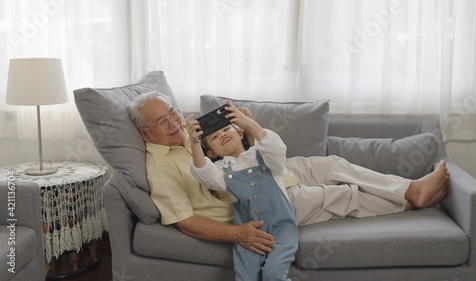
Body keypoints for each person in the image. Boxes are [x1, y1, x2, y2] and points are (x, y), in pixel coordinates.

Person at [127, 91, 449, 255]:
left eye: (173, 113)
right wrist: (238, 234)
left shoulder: (188, 134)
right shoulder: (160, 166)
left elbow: (232, 154)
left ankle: (409, 187)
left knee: (332, 163)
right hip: (256, 200)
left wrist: (247, 132)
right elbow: (185, 221)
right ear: (145, 133)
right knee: (343, 195)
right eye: (162, 122)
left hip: (270, 173)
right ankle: (408, 202)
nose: (174, 123)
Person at [185, 101, 298, 281]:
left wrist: (249, 124)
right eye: (214, 137)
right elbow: (204, 173)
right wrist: (194, 143)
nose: (222, 135)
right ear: (212, 154)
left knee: (273, 274)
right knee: (245, 276)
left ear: (239, 133)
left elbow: (277, 149)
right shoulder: (222, 171)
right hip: (250, 233)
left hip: (282, 228)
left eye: (225, 130)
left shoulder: (262, 154)